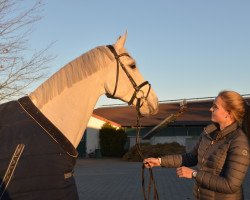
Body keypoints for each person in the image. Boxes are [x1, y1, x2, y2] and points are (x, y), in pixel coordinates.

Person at [144, 90, 250, 200]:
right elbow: (191, 157)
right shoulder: (209, 132)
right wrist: (160, 161)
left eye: (215, 107)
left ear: (228, 113)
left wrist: (194, 174)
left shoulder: (239, 142)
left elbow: (230, 185)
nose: (210, 109)